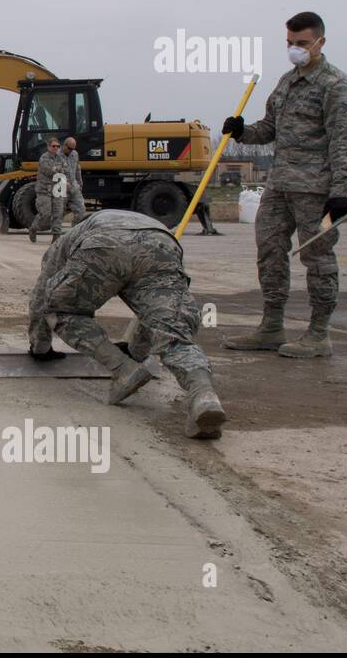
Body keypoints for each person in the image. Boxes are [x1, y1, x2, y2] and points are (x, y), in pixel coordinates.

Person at [222, 11, 347, 358]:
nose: (294, 49)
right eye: (289, 43)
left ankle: (318, 333)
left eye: (301, 43)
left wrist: (341, 190)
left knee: (318, 259)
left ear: (319, 43)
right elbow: (269, 128)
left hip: (317, 189)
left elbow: (344, 139)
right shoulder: (286, 82)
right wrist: (242, 130)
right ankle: (271, 326)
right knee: (269, 253)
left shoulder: (336, 85)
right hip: (280, 184)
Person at [27, 209, 225, 440]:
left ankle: (123, 370)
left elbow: (41, 299)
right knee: (171, 331)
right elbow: (149, 317)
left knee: (58, 309)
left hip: (103, 244)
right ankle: (204, 395)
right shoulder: (132, 219)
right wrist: (136, 353)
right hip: (162, 244)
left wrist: (40, 348)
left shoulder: (62, 245)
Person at [29, 138, 68, 242]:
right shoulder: (44, 158)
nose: (56, 148)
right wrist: (58, 170)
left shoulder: (60, 158)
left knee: (58, 213)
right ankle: (33, 228)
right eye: (53, 146)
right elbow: (49, 171)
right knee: (45, 213)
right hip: (44, 190)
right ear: (48, 147)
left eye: (57, 146)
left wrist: (60, 172)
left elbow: (65, 170)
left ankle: (56, 236)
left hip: (58, 188)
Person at [62, 137, 88, 227]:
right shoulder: (56, 155)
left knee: (81, 210)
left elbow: (77, 169)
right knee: (58, 214)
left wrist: (80, 184)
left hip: (73, 187)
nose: (71, 151)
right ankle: (56, 236)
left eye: (73, 149)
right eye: (69, 148)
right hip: (60, 188)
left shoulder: (75, 154)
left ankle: (74, 232)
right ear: (64, 145)